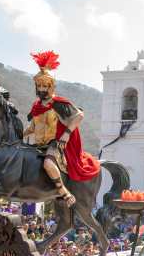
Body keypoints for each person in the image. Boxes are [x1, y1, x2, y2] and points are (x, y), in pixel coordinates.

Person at [24, 50, 101, 207]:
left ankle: (63, 192)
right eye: (39, 85)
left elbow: (79, 115)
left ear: (51, 87)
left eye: (45, 85)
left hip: (55, 143)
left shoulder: (58, 103)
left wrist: (66, 134)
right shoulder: (36, 106)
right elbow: (33, 126)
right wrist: (18, 135)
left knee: (48, 164)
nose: (42, 89)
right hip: (37, 144)